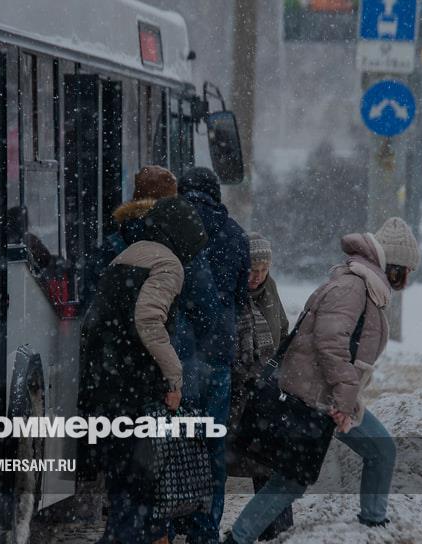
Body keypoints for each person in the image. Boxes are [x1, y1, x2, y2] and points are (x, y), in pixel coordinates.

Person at [224, 217, 420, 544]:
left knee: (380, 450)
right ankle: (238, 539)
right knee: (289, 482)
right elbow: (330, 342)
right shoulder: (353, 286)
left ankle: (373, 524)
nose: (409, 279)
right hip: (314, 397)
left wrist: (345, 398)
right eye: (408, 271)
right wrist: (344, 398)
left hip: (331, 397)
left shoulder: (365, 285)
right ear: (395, 266)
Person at [77, 197, 208, 544]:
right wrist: (173, 376)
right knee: (140, 487)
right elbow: (149, 320)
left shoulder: (129, 254)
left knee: (124, 484)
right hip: (133, 389)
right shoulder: (168, 265)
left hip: (105, 383)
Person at [177, 167, 251, 544]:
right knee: (211, 446)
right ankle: (205, 530)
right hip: (218, 355)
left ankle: (171, 522)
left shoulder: (170, 227)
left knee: (175, 442)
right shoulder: (236, 235)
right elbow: (241, 300)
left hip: (176, 355)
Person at [227, 232, 293, 541]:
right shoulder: (229, 294)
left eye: (263, 270)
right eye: (251, 269)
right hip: (238, 392)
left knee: (271, 462)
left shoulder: (271, 289)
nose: (256, 277)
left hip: (268, 389)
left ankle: (276, 531)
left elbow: (282, 327)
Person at [81, 165, 179, 307]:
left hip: (122, 327)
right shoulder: (184, 241)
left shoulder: (113, 245)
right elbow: (206, 308)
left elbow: (92, 304)